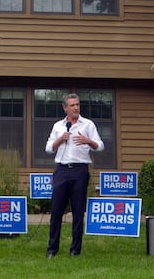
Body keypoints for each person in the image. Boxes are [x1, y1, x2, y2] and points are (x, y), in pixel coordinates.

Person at [45, 92, 104, 258]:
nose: (76, 108)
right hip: (61, 170)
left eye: (77, 105)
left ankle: (75, 250)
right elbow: (49, 148)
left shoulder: (88, 125)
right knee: (56, 211)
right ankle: (52, 249)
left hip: (80, 171)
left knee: (78, 212)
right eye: (72, 105)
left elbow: (100, 146)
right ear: (65, 108)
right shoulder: (58, 126)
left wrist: (88, 141)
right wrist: (60, 139)